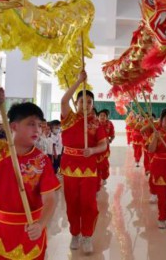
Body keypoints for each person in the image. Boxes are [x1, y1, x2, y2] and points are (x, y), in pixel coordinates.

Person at [0, 88, 60, 260]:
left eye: (39, 124)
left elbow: (50, 198)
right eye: (31, 124)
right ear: (13, 126)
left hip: (30, 229)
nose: (37, 129)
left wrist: (41, 224)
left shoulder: (42, 160)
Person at [60, 70, 108, 254]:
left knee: (88, 203)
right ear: (77, 103)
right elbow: (64, 101)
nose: (86, 104)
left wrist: (93, 150)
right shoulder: (69, 118)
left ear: (93, 104)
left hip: (89, 168)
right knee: (72, 202)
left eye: (89, 102)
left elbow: (103, 145)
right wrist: (79, 81)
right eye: (82, 101)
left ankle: (87, 236)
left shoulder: (97, 124)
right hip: (70, 167)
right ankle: (75, 233)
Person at [97, 109, 115, 186]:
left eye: (104, 116)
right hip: (96, 147)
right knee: (97, 163)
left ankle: (104, 177)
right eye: (100, 115)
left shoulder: (110, 124)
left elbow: (112, 135)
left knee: (104, 163)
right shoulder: (95, 123)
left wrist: (110, 140)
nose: (102, 117)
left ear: (107, 117)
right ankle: (97, 178)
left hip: (105, 148)